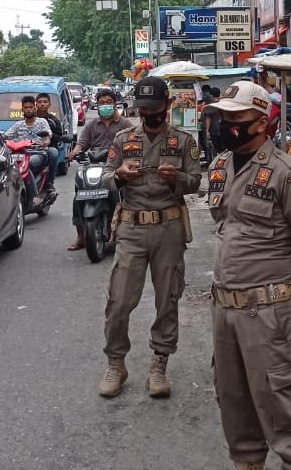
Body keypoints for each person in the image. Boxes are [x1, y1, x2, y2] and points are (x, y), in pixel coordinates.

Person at [205, 80, 291, 470]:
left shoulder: (288, 174)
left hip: (268, 312)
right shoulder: (221, 165)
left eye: (234, 117)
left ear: (260, 122)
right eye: (221, 116)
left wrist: (287, 297)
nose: (223, 124)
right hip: (225, 309)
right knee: (234, 405)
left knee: (283, 409)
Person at [97, 76, 202, 399]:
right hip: (131, 228)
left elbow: (196, 182)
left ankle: (159, 364)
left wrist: (178, 179)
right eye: (143, 109)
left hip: (168, 228)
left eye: (154, 109)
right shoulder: (123, 139)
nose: (149, 115)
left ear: (168, 106)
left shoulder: (184, 142)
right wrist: (119, 176)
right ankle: (116, 363)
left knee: (167, 299)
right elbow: (104, 177)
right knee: (118, 301)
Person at [66, 86, 127, 251]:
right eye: (102, 103)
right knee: (79, 194)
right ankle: (80, 236)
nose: (105, 105)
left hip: (116, 166)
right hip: (93, 165)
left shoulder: (125, 124)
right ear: (97, 104)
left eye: (109, 102)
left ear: (115, 104)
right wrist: (74, 153)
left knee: (120, 192)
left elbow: (133, 144)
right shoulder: (92, 125)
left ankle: (123, 230)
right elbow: (82, 143)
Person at [4, 96, 52, 207]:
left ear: (35, 108)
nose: (28, 109)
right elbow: (6, 136)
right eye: (26, 107)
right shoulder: (18, 125)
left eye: (31, 107)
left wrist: (45, 142)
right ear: (22, 109)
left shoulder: (42, 122)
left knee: (27, 165)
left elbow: (47, 137)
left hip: (38, 154)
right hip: (19, 155)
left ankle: (36, 196)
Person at [34, 92, 64, 188]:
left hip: (48, 149)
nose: (42, 104)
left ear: (49, 104)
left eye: (45, 102)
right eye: (39, 102)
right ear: (36, 104)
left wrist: (47, 136)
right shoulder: (30, 118)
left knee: (54, 153)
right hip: (31, 148)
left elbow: (59, 136)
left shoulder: (53, 120)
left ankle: (50, 182)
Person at [204, 87, 223, 158]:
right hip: (222, 129)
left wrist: (207, 131)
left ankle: (216, 162)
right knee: (223, 149)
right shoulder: (223, 104)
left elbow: (208, 119)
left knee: (215, 149)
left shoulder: (211, 106)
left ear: (211, 95)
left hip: (214, 130)